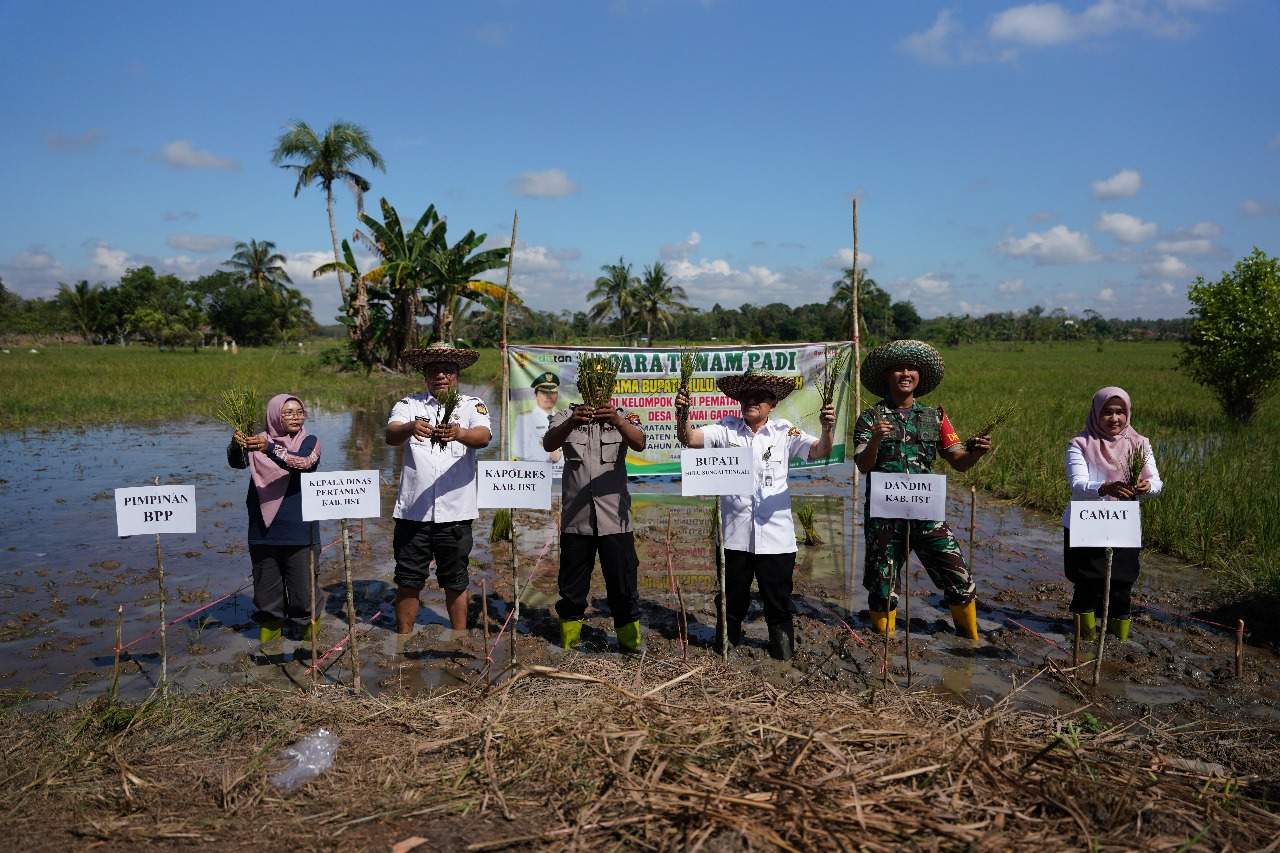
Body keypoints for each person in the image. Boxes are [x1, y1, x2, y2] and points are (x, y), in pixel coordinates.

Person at [676, 370, 836, 661]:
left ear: (772, 403)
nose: (752, 401)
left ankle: (782, 649)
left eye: (760, 397)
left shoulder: (785, 432)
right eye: (747, 396)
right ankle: (726, 643)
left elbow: (819, 451)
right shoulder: (725, 430)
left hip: (776, 536)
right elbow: (689, 438)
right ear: (739, 401)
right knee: (731, 597)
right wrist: (682, 413)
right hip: (735, 536)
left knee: (778, 598)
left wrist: (827, 429)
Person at [852, 340, 990, 640]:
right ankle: (882, 643)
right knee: (882, 583)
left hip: (926, 511)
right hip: (884, 514)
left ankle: (970, 640)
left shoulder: (935, 417)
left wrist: (976, 452)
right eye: (899, 368)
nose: (905, 373)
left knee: (958, 576)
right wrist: (875, 440)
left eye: (911, 368)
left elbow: (959, 462)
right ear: (887, 377)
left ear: (919, 376)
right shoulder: (869, 418)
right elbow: (863, 465)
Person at [385, 343, 492, 636]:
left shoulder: (472, 405)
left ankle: (459, 638)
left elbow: (482, 437)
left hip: (455, 513)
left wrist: (460, 433)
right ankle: (403, 639)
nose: (441, 376)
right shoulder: (409, 405)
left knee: (456, 580)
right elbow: (391, 434)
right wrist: (409, 428)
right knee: (408, 579)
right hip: (412, 514)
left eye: (447, 370)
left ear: (457, 375)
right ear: (425, 376)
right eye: (434, 371)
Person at [542, 381, 646, 652]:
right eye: (591, 385)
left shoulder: (624, 415)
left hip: (616, 521)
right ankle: (569, 644)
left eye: (602, 385)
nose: (596, 390)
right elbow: (548, 443)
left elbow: (639, 443)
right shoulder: (567, 415)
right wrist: (571, 424)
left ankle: (630, 645)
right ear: (583, 387)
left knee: (623, 586)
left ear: (609, 388)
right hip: (576, 522)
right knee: (572, 589)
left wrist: (616, 420)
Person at [1063, 386, 1162, 642]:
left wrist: (1147, 487)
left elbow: (1156, 483)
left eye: (1120, 412)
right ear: (1096, 413)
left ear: (1128, 413)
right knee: (1087, 582)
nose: (1115, 418)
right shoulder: (1080, 444)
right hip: (1087, 523)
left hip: (1123, 525)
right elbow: (1077, 484)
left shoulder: (1140, 444)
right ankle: (1085, 640)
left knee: (1122, 584)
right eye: (1108, 412)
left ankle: (1120, 643)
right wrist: (1105, 488)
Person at [228, 394, 322, 653]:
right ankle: (271, 650)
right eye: (288, 412)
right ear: (273, 416)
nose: (295, 416)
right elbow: (237, 462)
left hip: (300, 532)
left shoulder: (309, 441)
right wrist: (237, 444)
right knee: (266, 595)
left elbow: (303, 463)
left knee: (304, 595)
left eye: (299, 411)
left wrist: (268, 448)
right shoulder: (257, 440)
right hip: (263, 531)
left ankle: (308, 648)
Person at [512, 371, 562, 465]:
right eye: (544, 392)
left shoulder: (565, 418)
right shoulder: (524, 419)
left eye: (552, 392)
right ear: (536, 395)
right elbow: (518, 451)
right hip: (537, 472)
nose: (549, 397)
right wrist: (547, 455)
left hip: (562, 474)